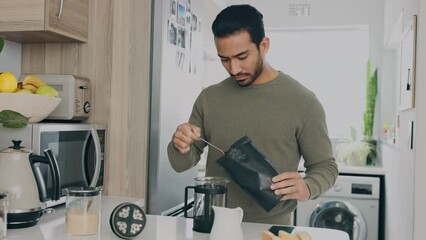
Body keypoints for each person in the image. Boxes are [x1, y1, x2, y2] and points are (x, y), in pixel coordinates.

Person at [167, 4, 338, 225]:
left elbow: (326, 166)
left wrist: (308, 187)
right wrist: (180, 145)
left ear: (263, 45)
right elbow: (181, 164)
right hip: (213, 225)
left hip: (272, 228)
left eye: (242, 56)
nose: (234, 68)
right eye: (224, 59)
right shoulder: (209, 98)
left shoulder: (303, 102)